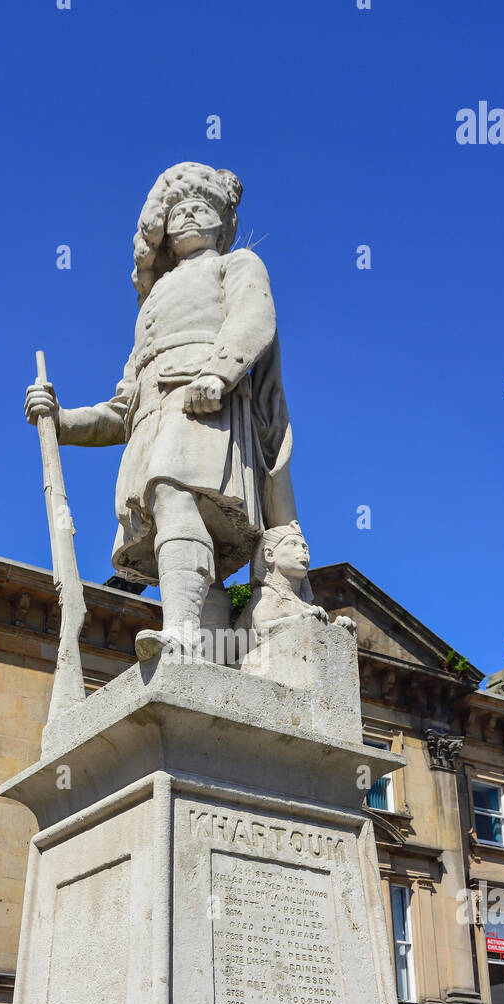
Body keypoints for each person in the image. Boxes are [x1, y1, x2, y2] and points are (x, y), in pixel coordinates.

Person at [24, 162, 298, 661]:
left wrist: (219, 372)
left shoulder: (236, 265)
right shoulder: (149, 308)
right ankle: (209, 644)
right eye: (180, 211)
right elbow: (120, 406)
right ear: (163, 231)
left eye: (203, 209)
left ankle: (182, 635)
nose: (191, 216)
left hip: (207, 407)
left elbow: (254, 317)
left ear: (222, 223)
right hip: (152, 421)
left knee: (171, 493)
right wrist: (61, 421)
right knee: (170, 514)